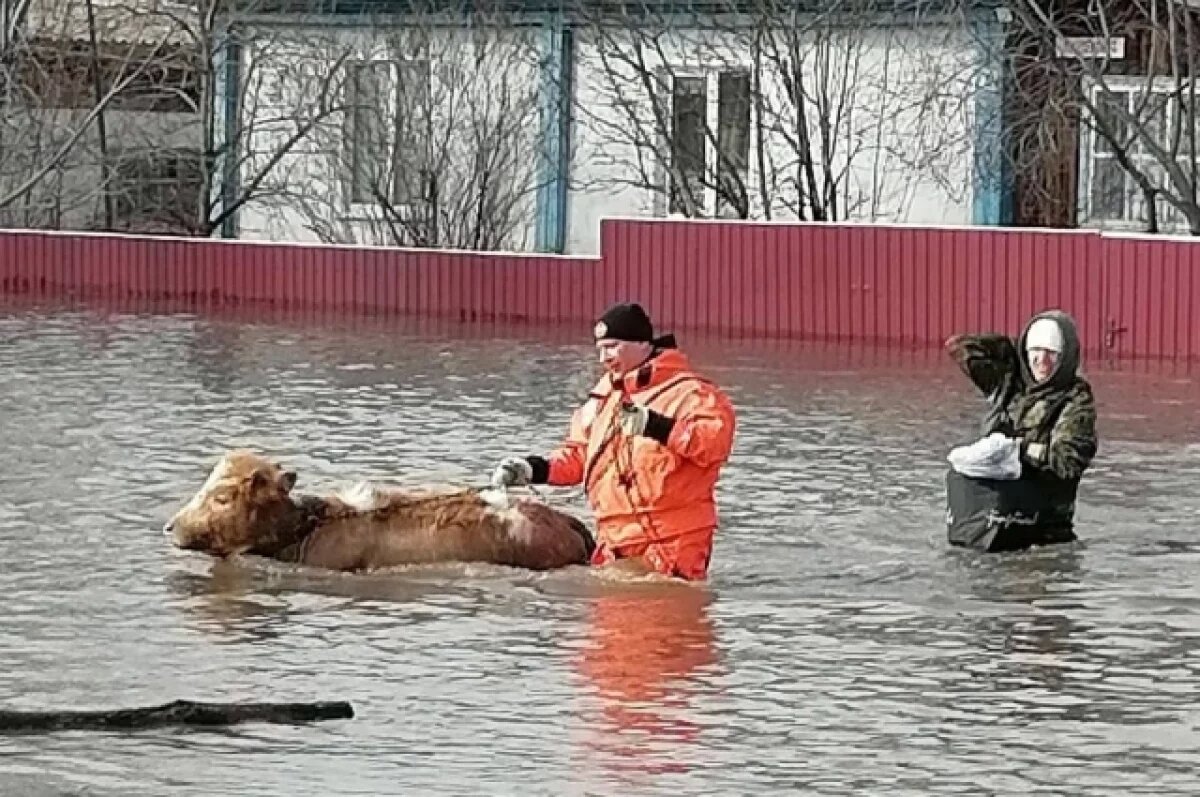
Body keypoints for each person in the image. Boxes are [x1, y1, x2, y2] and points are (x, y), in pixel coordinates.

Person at [491, 302, 737, 581]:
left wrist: (657, 426)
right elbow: (580, 458)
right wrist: (532, 469)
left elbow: (714, 445)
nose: (603, 358)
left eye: (611, 346)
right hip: (613, 541)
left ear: (642, 343)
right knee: (607, 622)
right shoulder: (602, 400)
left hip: (672, 541)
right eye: (599, 349)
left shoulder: (691, 393)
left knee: (667, 621)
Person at [944, 309, 1098, 552]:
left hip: (1044, 530)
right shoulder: (1009, 386)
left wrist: (1020, 449)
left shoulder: (1075, 402)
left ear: (1065, 358)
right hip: (991, 517)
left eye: (1052, 353)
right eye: (1035, 351)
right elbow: (961, 347)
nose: (1042, 361)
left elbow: (1067, 461)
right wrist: (1012, 347)